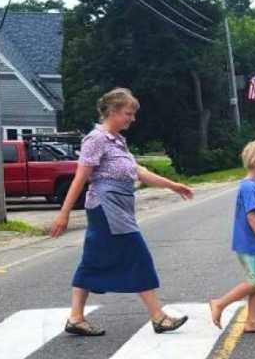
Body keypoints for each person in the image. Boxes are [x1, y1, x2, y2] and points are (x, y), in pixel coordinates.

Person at [49, 88, 194, 336]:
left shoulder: (117, 140)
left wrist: (173, 185)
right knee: (138, 255)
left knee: (92, 261)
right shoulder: (96, 139)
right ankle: (159, 317)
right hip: (106, 208)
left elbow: (139, 172)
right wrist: (64, 213)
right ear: (114, 111)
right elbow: (80, 178)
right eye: (128, 113)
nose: (132, 119)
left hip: (118, 207)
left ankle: (76, 318)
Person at [209, 140, 255, 334]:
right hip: (250, 243)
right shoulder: (249, 187)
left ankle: (252, 321)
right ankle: (219, 303)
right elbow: (251, 218)